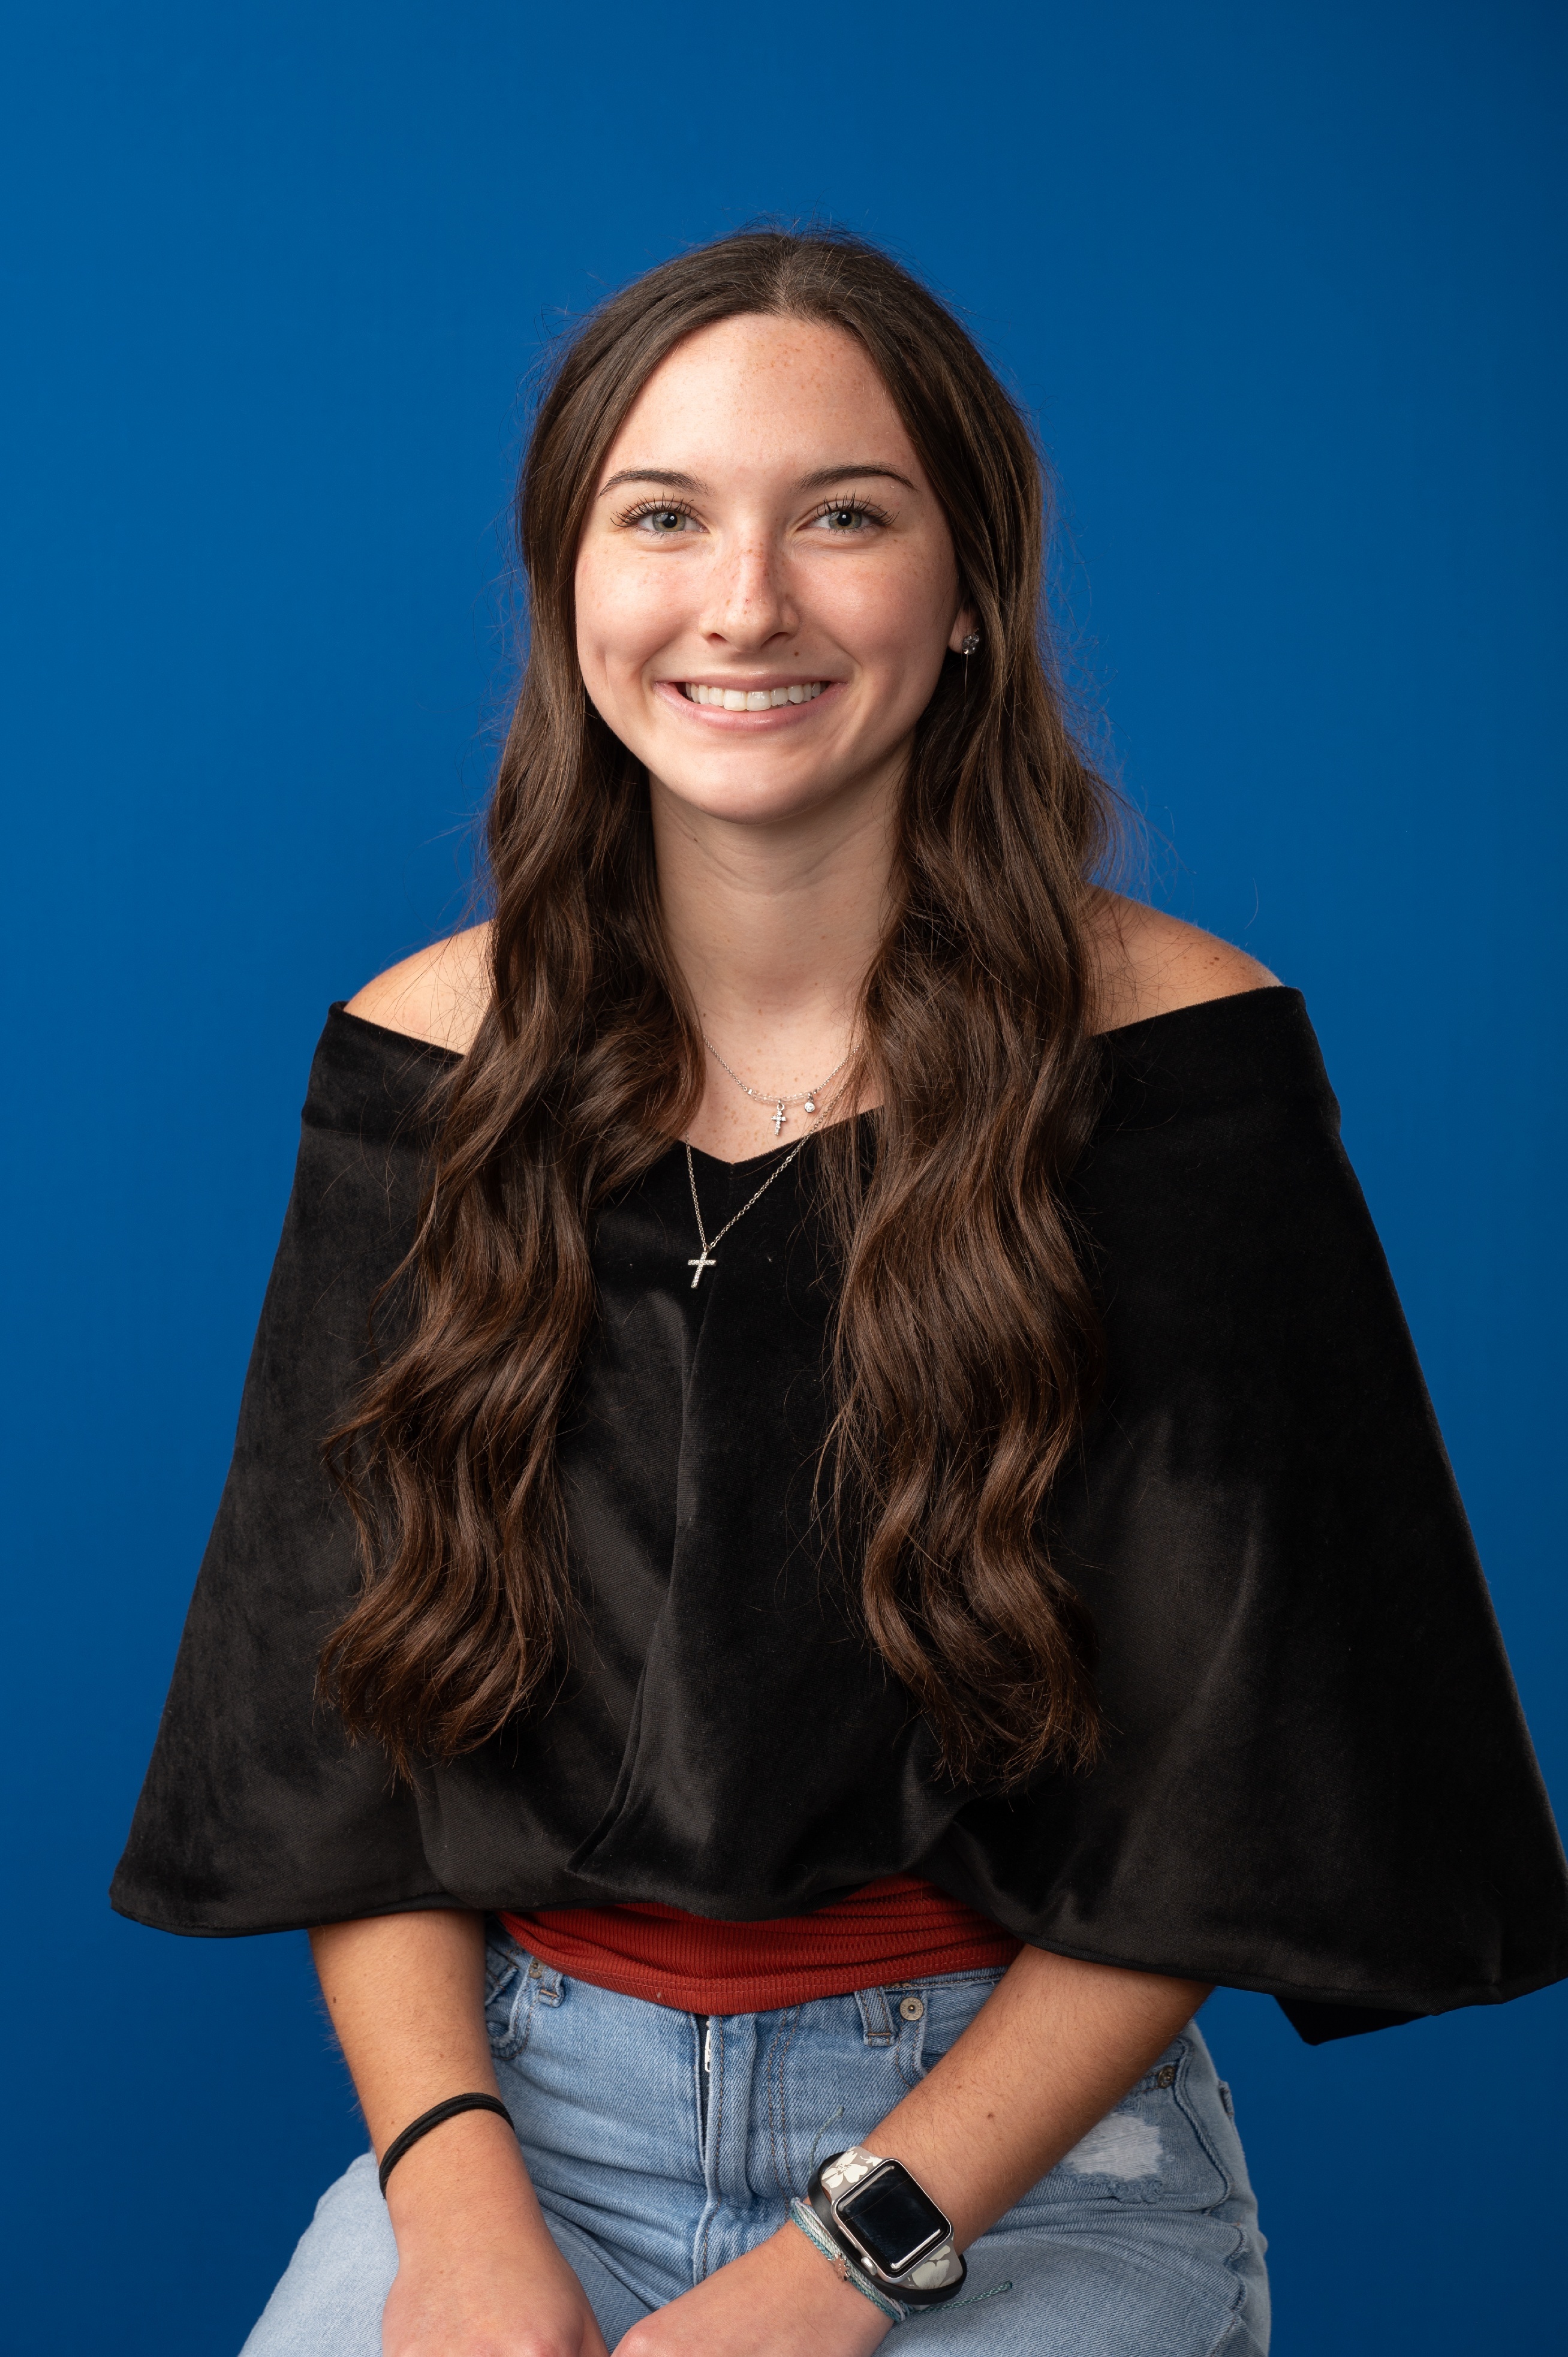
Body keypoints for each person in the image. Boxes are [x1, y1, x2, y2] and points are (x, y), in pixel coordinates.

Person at [114, 229, 1567, 2357]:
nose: (744, 604)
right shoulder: (424, 1061)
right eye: (663, 515)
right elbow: (342, 1748)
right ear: (570, 583)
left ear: (970, 590)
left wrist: (840, 2264)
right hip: (518, 2125)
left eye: (845, 517)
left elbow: (1226, 1781)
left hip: (1016, 2164)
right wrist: (457, 2209)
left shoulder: (1178, 1065)